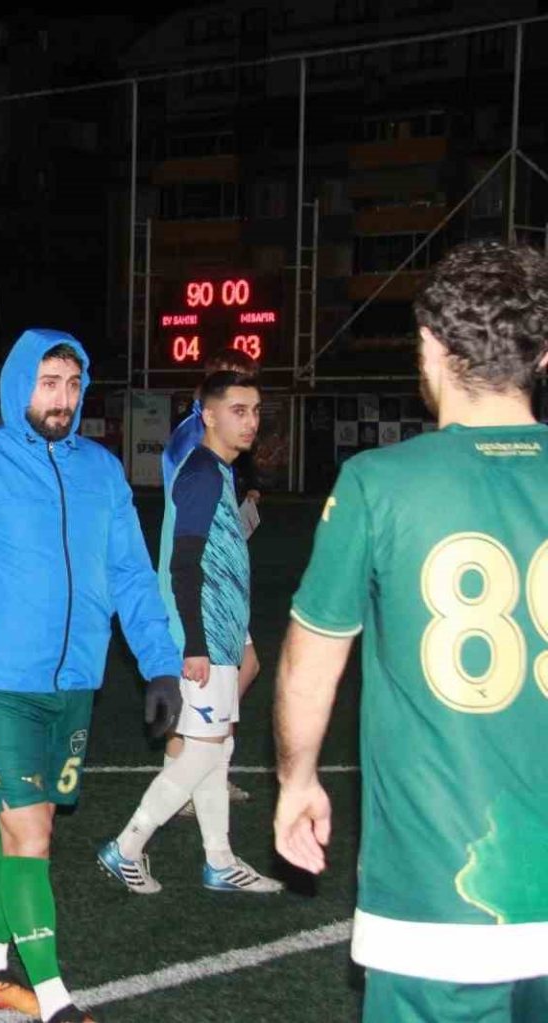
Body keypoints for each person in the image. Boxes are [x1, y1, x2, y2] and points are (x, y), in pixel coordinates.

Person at [275, 240, 548, 1022]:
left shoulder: (379, 483)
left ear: (429, 344)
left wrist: (296, 780)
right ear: (543, 355)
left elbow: (309, 666)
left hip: (441, 898)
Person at [0, 329, 182, 1022]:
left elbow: (131, 573)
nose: (61, 398)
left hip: (76, 681)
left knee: (24, 830)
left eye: (72, 384)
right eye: (48, 382)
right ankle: (55, 1000)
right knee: (29, 834)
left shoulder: (102, 471)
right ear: (18, 385)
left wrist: (159, 666)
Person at [97, 370, 283, 895]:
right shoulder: (202, 473)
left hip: (220, 631)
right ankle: (126, 846)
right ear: (210, 416)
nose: (250, 421)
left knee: (216, 747)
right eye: (238, 411)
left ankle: (219, 861)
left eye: (255, 411)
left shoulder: (218, 470)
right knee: (202, 751)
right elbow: (184, 563)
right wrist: (195, 644)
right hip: (202, 635)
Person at [162, 348, 261, 808]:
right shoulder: (193, 437)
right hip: (200, 576)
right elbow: (190, 503)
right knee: (209, 682)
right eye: (231, 377)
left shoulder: (216, 440)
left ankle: (206, 765)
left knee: (246, 667)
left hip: (219, 576)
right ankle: (186, 767)